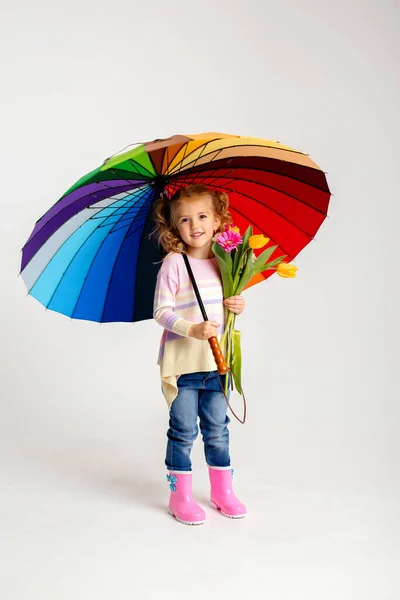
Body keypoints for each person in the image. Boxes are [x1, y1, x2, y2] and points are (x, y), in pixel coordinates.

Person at [152, 183, 247, 526]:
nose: (195, 225)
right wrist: (190, 329)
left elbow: (226, 310)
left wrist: (236, 304)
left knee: (217, 428)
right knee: (182, 429)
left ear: (219, 219)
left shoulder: (227, 262)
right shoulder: (174, 263)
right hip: (184, 364)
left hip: (217, 363)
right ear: (174, 226)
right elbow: (161, 311)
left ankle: (222, 491)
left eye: (203, 216)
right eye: (185, 220)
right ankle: (181, 495)